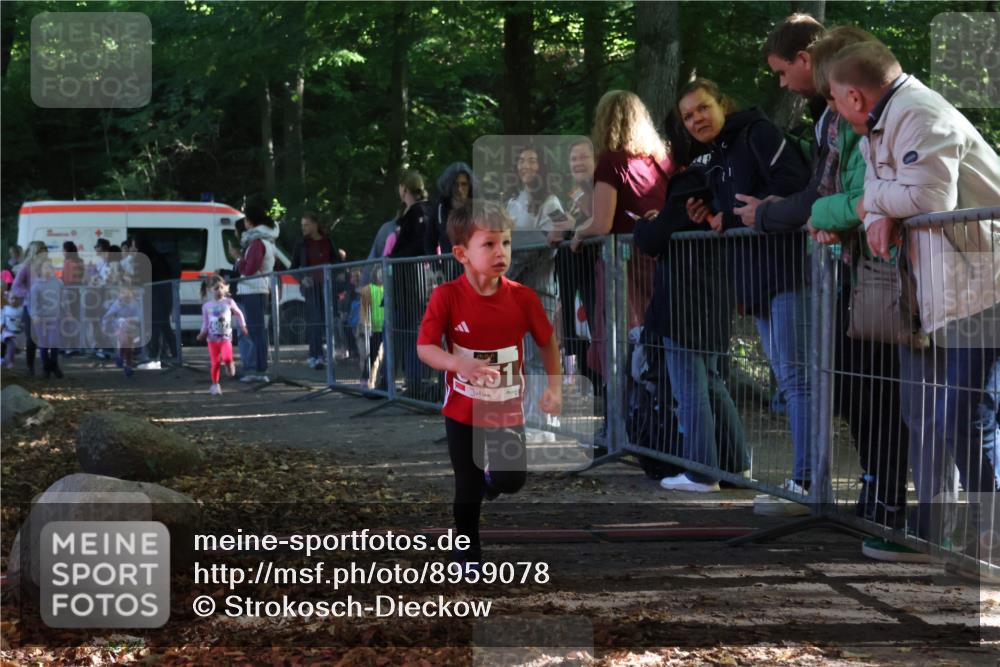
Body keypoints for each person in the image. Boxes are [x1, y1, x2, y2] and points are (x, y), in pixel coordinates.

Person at [828, 41, 1000, 554]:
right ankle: (979, 530)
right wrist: (882, 209)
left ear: (855, 96)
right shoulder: (885, 122)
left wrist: (867, 204)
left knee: (966, 416)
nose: (836, 111)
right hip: (960, 287)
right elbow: (897, 187)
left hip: (986, 287)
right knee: (959, 415)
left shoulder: (919, 114)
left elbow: (926, 197)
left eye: (836, 100)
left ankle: (989, 531)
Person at [783, 24, 916, 560]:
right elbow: (850, 197)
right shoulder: (839, 127)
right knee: (858, 392)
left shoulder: (875, 126)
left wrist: (821, 213)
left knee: (885, 395)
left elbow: (860, 199)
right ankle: (875, 491)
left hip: (885, 278)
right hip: (855, 274)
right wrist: (832, 214)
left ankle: (892, 504)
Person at [677, 78, 813, 511]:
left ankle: (808, 483)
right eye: (687, 116)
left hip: (789, 274)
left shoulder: (759, 134)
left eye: (702, 108)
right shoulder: (717, 157)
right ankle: (805, 481)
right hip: (756, 283)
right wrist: (717, 218)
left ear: (722, 103)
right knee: (790, 380)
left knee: (798, 381)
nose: (696, 119)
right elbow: (736, 213)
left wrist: (763, 211)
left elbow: (799, 187)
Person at [416, 201, 562, 565]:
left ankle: (491, 483)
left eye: (507, 244)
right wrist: (457, 363)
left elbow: (547, 341)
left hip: (505, 410)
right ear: (461, 253)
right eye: (490, 245)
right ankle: (467, 551)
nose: (501, 253)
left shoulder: (522, 297)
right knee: (466, 484)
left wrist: (555, 387)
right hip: (462, 411)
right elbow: (424, 348)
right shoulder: (446, 297)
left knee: (512, 480)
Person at [634, 113, 750, 493]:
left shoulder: (690, 179)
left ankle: (702, 472)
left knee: (691, 388)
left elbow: (654, 238)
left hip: (685, 299)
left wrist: (644, 224)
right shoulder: (719, 172)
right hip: (713, 297)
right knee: (711, 382)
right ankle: (735, 463)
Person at [575, 91, 672, 386]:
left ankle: (622, 422)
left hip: (624, 267)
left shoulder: (611, 162)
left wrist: (579, 233)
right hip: (659, 259)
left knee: (620, 344)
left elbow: (603, 222)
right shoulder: (661, 163)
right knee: (655, 340)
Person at [505, 144, 563, 436]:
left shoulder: (551, 202)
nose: (526, 165)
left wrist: (511, 265)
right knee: (526, 358)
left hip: (540, 290)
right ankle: (534, 418)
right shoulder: (512, 202)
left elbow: (546, 247)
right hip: (516, 292)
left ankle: (545, 422)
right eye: (521, 160)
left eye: (532, 160)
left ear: (541, 167)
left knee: (540, 357)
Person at [389, 170, 434, 397]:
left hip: (411, 278)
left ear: (404, 188)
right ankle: (413, 380)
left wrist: (394, 258)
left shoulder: (419, 211)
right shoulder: (412, 212)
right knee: (407, 329)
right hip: (406, 277)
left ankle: (416, 381)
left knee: (411, 330)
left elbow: (418, 244)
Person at [234, 200, 279, 383]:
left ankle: (256, 370)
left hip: (253, 289)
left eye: (245, 219)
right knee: (258, 330)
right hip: (259, 289)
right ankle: (259, 368)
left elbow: (250, 269)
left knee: (254, 330)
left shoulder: (257, 242)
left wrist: (238, 258)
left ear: (250, 221)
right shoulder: (265, 240)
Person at [290, 211, 341, 370]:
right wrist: (302, 278)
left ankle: (331, 354)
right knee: (315, 320)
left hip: (328, 286)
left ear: (315, 224)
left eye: (306, 225)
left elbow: (337, 262)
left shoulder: (327, 241)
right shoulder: (301, 244)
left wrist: (337, 275)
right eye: (302, 225)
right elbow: (293, 268)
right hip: (311, 288)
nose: (303, 228)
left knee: (329, 319)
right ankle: (315, 355)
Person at [197, 274, 248, 396]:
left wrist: (243, 326)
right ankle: (215, 385)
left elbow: (239, 313)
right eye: (216, 288)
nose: (219, 291)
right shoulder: (207, 306)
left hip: (225, 339)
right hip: (212, 340)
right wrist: (202, 333)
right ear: (210, 290)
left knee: (226, 358)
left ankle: (230, 363)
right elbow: (205, 322)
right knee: (215, 363)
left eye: (221, 287)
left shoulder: (229, 302)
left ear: (225, 288)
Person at [10, 241, 48, 375]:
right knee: (31, 339)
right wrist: (29, 293)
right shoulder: (26, 267)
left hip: (47, 307)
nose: (44, 251)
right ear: (34, 252)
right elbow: (16, 287)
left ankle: (47, 367)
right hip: (30, 307)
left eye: (45, 249)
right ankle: (30, 367)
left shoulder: (47, 265)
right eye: (41, 250)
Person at [426, 162, 474, 257]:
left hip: (475, 266)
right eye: (455, 185)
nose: (460, 189)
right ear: (449, 185)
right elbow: (429, 240)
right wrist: (437, 268)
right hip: (449, 267)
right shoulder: (439, 208)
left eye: (464, 184)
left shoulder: (478, 208)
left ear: (470, 186)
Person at [29, 258, 63, 379]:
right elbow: (33, 303)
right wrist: (35, 315)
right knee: (43, 343)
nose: (48, 269)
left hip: (54, 316)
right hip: (41, 318)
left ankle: (54, 364)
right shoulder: (36, 286)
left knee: (54, 342)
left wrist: (67, 311)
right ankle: (46, 368)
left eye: (50, 266)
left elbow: (62, 299)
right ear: (40, 270)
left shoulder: (58, 283)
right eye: (45, 267)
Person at [101, 287, 143, 377]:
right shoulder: (117, 304)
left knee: (129, 347)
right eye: (123, 293)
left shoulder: (135, 304)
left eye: (128, 293)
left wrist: (130, 319)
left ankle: (124, 361)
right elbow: (107, 316)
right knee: (125, 341)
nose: (126, 295)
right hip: (119, 327)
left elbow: (140, 317)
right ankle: (126, 364)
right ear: (120, 295)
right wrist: (104, 327)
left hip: (133, 327)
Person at [2, 293, 23, 369]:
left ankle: (14, 352)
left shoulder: (21, 309)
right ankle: (11, 362)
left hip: (18, 332)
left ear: (19, 300)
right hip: (8, 331)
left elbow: (24, 321)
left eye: (16, 298)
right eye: (12, 298)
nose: (14, 300)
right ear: (8, 299)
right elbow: (2, 320)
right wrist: (2, 327)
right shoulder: (5, 308)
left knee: (16, 348)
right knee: (10, 343)